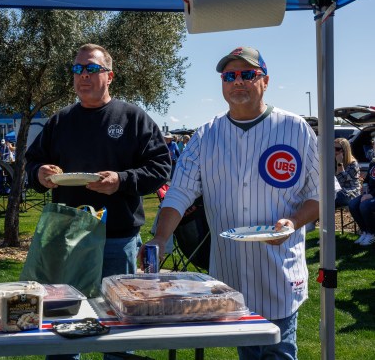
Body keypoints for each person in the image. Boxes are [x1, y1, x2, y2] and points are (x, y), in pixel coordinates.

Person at [144, 46, 319, 360]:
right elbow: (179, 192)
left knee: (278, 352)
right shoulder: (205, 135)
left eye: (247, 74)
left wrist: (293, 222)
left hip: (278, 272)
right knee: (249, 354)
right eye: (230, 76)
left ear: (264, 81)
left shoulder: (295, 129)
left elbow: (320, 195)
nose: (238, 81)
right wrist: (161, 236)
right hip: (229, 276)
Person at [26, 42, 170, 316]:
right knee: (61, 320)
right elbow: (31, 164)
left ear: (110, 76)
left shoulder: (132, 118)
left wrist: (122, 180)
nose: (84, 75)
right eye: (78, 69)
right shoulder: (60, 121)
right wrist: (39, 174)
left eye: (92, 68)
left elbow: (161, 166)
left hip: (116, 239)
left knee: (119, 322)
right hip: (66, 238)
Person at [349, 156, 375, 245]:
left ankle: (372, 233)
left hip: (372, 195)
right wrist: (364, 186)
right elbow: (368, 179)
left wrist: (371, 195)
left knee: (364, 206)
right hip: (370, 194)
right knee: (352, 204)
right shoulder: (373, 162)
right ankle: (365, 232)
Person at [334, 137, 361, 207]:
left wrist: (339, 163)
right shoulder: (333, 161)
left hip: (351, 193)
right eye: (332, 148)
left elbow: (342, 181)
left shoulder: (353, 164)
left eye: (337, 149)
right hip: (337, 191)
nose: (334, 151)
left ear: (344, 151)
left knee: (332, 196)